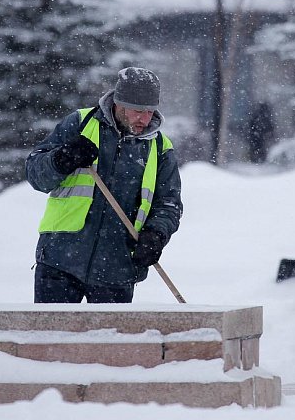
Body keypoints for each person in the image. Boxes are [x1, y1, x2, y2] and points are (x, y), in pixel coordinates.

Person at [25, 67, 183, 303]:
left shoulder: (160, 148)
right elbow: (35, 174)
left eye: (150, 111)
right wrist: (61, 159)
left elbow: (169, 204)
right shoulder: (81, 124)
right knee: (51, 339)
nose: (145, 119)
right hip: (59, 262)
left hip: (118, 270)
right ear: (119, 103)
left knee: (110, 341)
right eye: (138, 111)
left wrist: (156, 234)